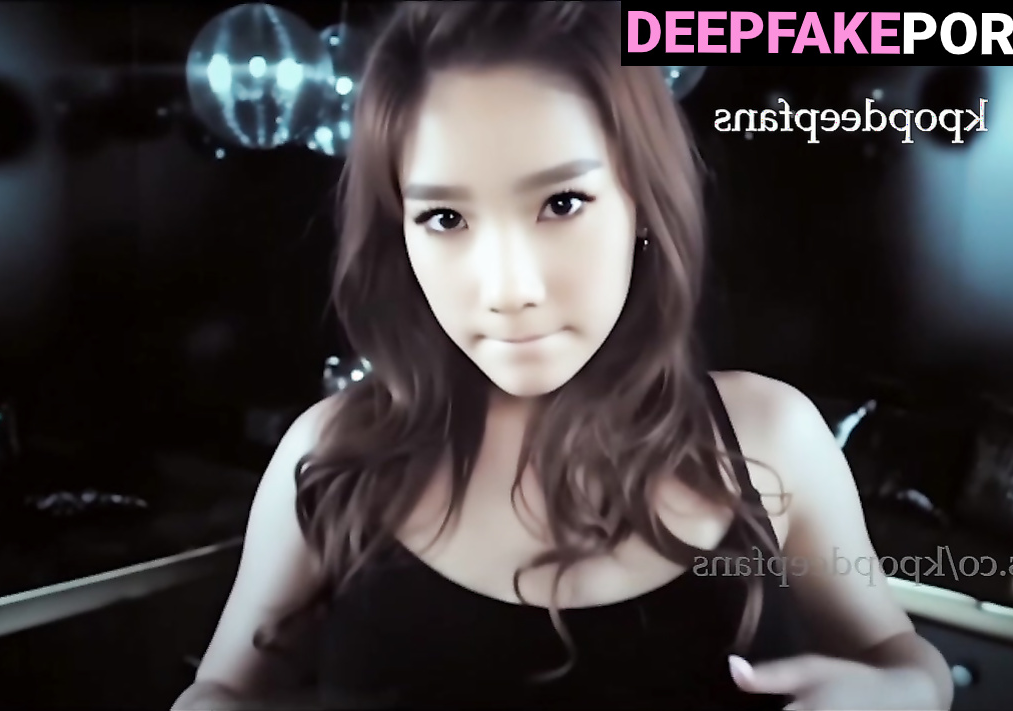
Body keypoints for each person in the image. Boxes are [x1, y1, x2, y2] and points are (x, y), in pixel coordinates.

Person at [173, 2, 953, 709]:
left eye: (562, 203)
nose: (509, 288)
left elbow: (902, 656)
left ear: (642, 201)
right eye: (445, 218)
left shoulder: (771, 437)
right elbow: (220, 689)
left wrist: (904, 692)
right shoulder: (333, 454)